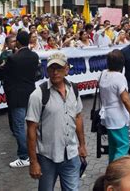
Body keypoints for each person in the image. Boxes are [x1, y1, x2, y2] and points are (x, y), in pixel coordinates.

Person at [26, 52, 87, 191]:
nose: (55, 72)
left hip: (71, 155)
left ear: (66, 69)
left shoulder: (74, 90)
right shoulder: (38, 95)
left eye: (58, 68)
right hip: (47, 157)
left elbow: (78, 117)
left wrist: (82, 145)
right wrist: (33, 162)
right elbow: (31, 129)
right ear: (47, 71)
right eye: (51, 69)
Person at [0, 30, 40, 168]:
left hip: (17, 95)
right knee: (32, 124)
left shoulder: (13, 58)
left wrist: (3, 66)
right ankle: (35, 152)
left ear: (19, 42)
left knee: (19, 127)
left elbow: (1, 75)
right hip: (31, 93)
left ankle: (24, 156)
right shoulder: (34, 56)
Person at [99, 49, 130, 162]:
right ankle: (116, 173)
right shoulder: (119, 77)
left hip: (107, 116)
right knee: (123, 146)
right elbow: (125, 99)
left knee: (113, 147)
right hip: (118, 117)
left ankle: (111, 173)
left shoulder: (103, 74)